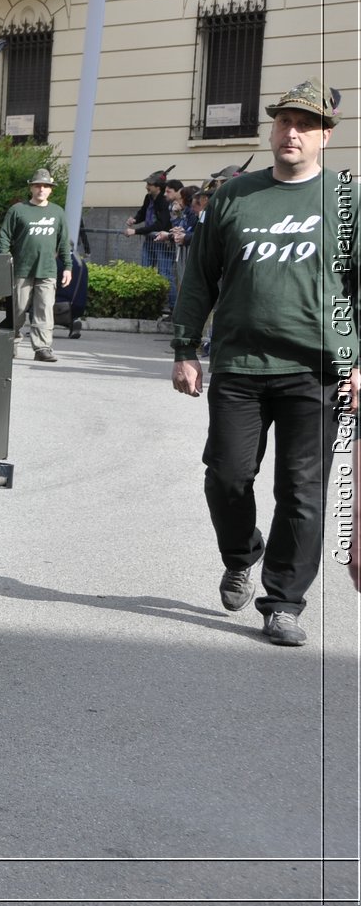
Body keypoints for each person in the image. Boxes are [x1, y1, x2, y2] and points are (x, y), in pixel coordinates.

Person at [170, 79, 356, 648]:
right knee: (226, 476)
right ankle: (241, 553)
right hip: (241, 365)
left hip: (316, 370)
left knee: (302, 492)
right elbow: (200, 276)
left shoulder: (345, 200)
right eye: (283, 121)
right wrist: (184, 349)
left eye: (305, 125)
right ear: (272, 129)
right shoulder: (233, 196)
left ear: (326, 136)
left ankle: (284, 603)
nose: (292, 131)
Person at [1, 168, 72, 363]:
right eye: (38, 185)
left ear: (51, 189)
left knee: (44, 310)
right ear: (31, 187)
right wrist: (5, 261)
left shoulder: (57, 212)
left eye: (46, 186)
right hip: (22, 269)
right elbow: (5, 237)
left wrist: (67, 266)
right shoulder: (18, 210)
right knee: (18, 309)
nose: (42, 189)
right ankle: (10, 343)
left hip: (47, 270)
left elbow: (64, 242)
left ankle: (42, 348)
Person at [124, 169, 175, 310]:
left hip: (162, 240)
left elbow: (161, 224)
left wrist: (136, 231)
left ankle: (173, 307)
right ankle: (148, 307)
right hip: (150, 239)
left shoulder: (164, 201)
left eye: (150, 184)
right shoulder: (148, 198)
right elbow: (143, 212)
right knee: (146, 271)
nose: (147, 186)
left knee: (165, 274)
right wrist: (135, 219)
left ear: (158, 186)